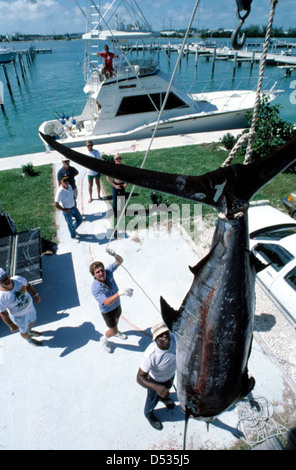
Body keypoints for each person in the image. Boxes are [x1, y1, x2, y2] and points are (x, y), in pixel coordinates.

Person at [90, 249, 133, 353]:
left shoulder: (108, 272)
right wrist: (120, 293)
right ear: (94, 275)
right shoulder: (95, 288)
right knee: (112, 330)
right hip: (108, 311)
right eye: (98, 272)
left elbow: (120, 261)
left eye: (102, 270)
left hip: (117, 306)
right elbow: (106, 302)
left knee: (117, 320)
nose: (101, 273)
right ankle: (104, 338)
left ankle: (116, 331)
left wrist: (114, 254)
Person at [137, 322, 176, 430]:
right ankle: (149, 414)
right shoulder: (150, 355)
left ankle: (164, 397)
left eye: (165, 333)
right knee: (152, 401)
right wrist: (156, 388)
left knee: (167, 389)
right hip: (156, 382)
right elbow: (139, 377)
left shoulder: (173, 338)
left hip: (170, 376)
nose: (165, 337)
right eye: (160, 335)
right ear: (155, 339)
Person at [0, 268, 42, 346]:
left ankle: (30, 331)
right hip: (19, 317)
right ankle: (29, 339)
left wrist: (35, 295)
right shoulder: (1, 297)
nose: (6, 280)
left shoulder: (18, 279)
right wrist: (11, 325)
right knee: (23, 331)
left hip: (30, 308)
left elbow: (28, 285)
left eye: (6, 277)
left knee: (33, 320)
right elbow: (3, 313)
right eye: (2, 280)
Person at [106, 154, 127, 219]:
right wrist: (114, 185)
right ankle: (115, 214)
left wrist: (126, 184)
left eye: (120, 158)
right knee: (115, 202)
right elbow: (107, 178)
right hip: (115, 185)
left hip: (122, 185)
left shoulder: (123, 167)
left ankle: (122, 213)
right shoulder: (112, 167)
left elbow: (128, 176)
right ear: (114, 160)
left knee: (122, 201)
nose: (119, 160)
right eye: (117, 159)